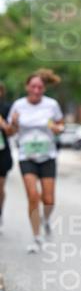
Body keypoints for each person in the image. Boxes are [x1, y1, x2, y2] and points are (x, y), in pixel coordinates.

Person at [6, 69, 64, 253]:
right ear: (27, 87)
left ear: (44, 88)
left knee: (48, 199)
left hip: (48, 156)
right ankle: (36, 236)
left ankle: (46, 220)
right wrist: (14, 123)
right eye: (33, 86)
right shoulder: (18, 106)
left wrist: (57, 128)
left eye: (40, 87)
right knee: (33, 196)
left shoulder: (51, 105)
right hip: (26, 156)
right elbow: (10, 132)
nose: (37, 90)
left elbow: (61, 125)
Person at [0, 82, 13, 233]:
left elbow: (12, 131)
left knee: (0, 186)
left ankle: (0, 212)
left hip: (2, 153)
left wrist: (3, 124)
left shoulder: (7, 108)